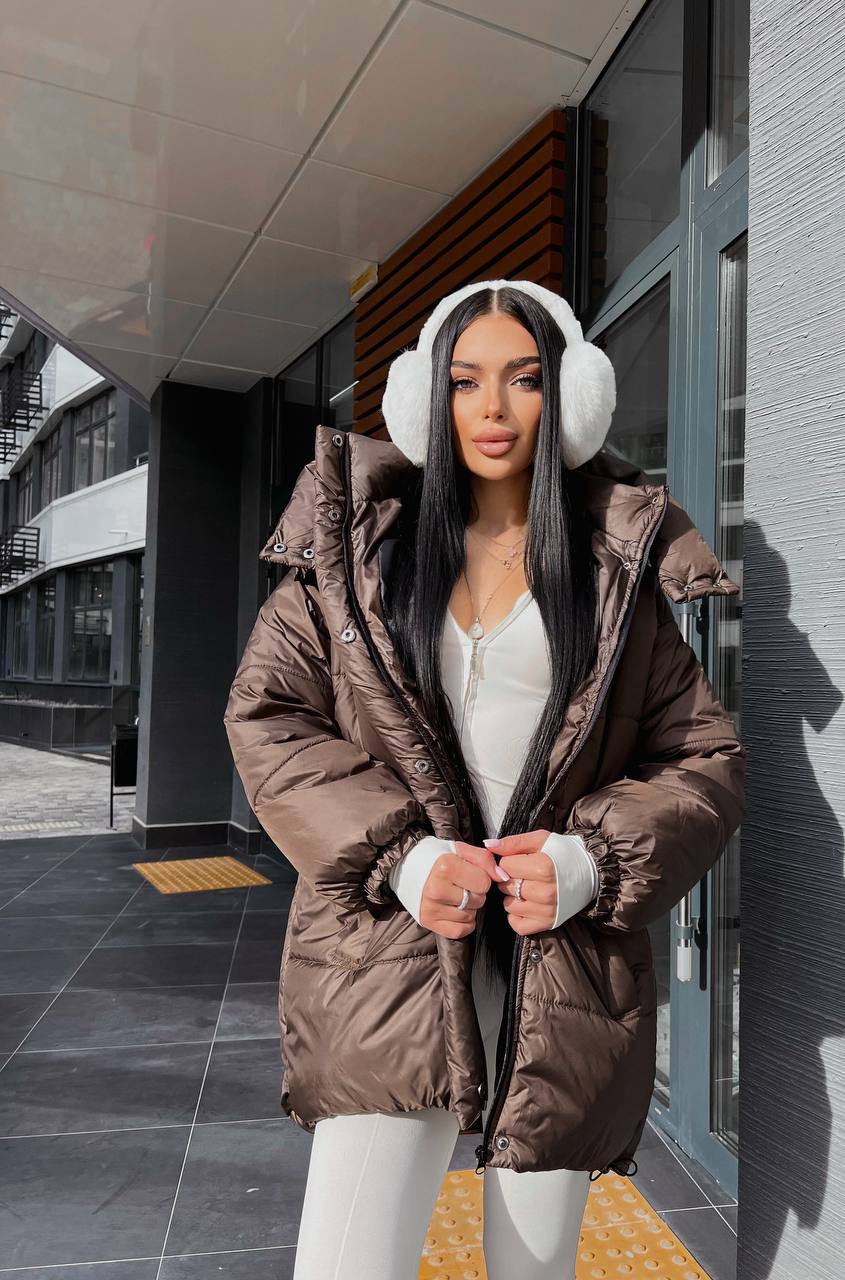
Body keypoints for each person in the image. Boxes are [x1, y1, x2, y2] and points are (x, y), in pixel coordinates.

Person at [223, 278, 745, 1279]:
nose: (493, 408)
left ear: (569, 397)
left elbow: (704, 758)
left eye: (524, 378)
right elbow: (270, 717)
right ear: (429, 397)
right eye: (465, 381)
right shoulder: (354, 549)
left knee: (533, 1271)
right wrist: (403, 856)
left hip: (565, 972)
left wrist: (589, 863)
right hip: (390, 952)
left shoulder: (615, 571)